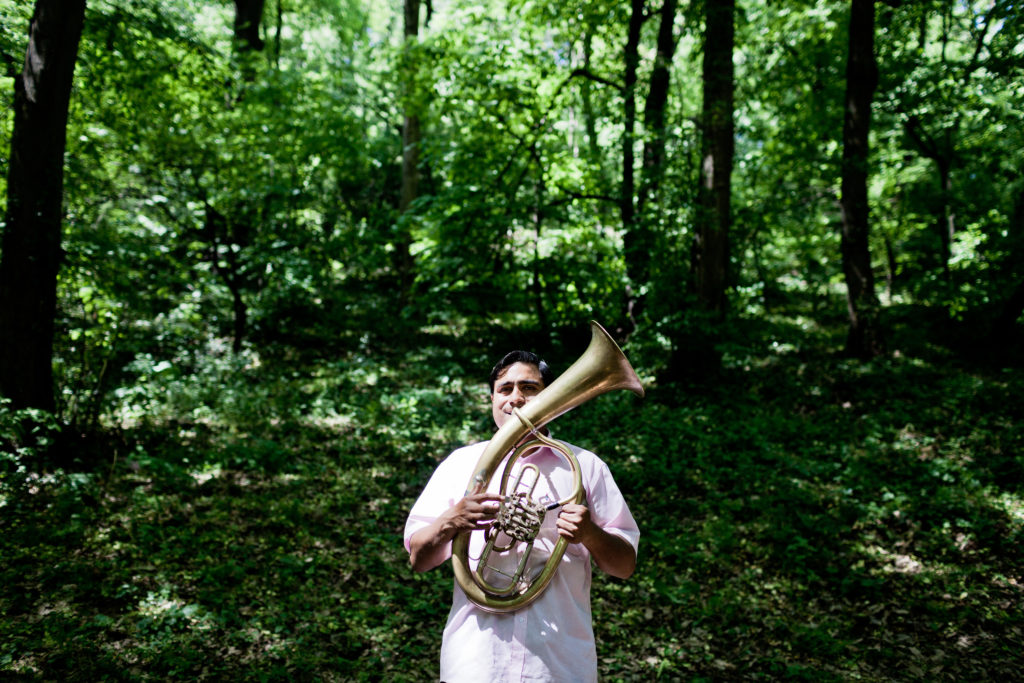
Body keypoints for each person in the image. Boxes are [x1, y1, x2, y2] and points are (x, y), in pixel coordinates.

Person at [404, 350, 640, 683]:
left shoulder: (586, 467)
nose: (516, 398)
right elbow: (418, 558)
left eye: (529, 387)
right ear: (492, 400)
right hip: (475, 663)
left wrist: (589, 533)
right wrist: (451, 520)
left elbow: (625, 565)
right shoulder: (460, 465)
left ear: (552, 396)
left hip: (558, 665)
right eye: (505, 389)